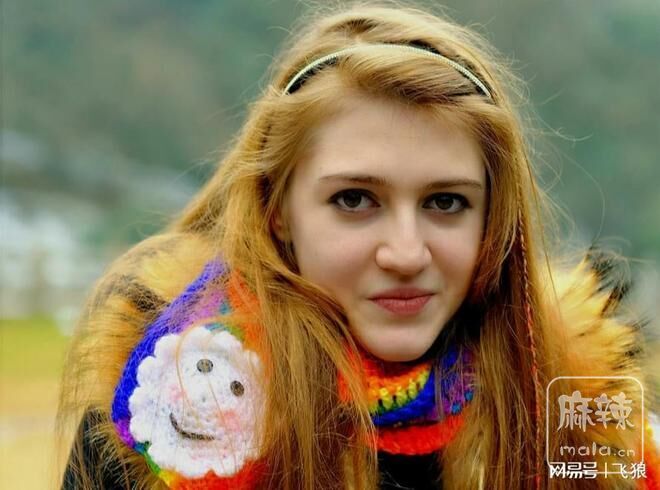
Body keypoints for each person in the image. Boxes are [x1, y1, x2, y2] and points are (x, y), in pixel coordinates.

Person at [56, 3, 660, 489]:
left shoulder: (583, 427)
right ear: (276, 210)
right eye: (354, 199)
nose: (406, 254)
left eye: (446, 203)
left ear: (494, 220)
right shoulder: (165, 422)